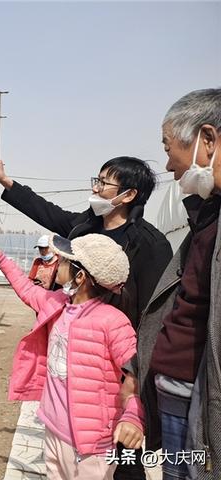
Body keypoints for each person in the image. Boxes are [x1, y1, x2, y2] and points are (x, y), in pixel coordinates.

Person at [0, 155, 172, 479]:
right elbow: (48, 213)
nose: (95, 189)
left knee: (121, 455)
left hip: (122, 363)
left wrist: (136, 377)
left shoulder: (149, 245)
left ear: (128, 195)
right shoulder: (86, 228)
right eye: (95, 180)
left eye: (103, 183)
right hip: (82, 362)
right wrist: (6, 181)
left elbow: (155, 316)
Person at [0, 232, 144, 480]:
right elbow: (27, 290)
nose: (57, 261)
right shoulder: (58, 303)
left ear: (81, 277)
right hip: (54, 429)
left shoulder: (113, 322)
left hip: (90, 445)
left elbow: (137, 374)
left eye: (65, 260)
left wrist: (133, 415)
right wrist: (0, 259)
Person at [134, 87, 221, 480]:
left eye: (169, 148)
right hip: (173, 387)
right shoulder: (205, 215)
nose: (169, 164)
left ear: (207, 140)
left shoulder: (148, 240)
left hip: (199, 399)